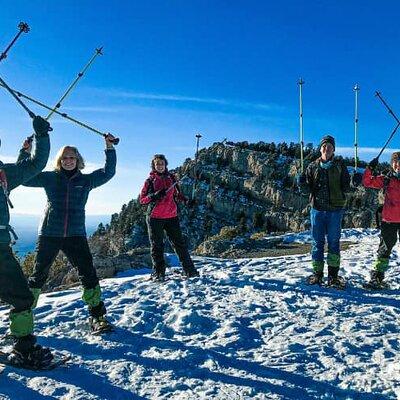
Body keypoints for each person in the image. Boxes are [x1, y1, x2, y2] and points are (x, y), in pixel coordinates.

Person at [19, 134, 116, 333]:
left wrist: (109, 147)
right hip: (49, 234)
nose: (68, 161)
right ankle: (22, 324)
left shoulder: (86, 180)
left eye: (72, 157)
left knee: (88, 273)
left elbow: (108, 172)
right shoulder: (50, 178)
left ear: (78, 160)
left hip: (75, 234)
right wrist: (25, 152)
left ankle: (98, 317)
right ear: (59, 161)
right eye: (64, 158)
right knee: (38, 276)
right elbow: (25, 177)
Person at [0, 116, 53, 367]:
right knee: (21, 297)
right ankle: (23, 348)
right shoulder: (3, 173)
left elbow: (36, 164)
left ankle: (23, 346)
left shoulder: (5, 173)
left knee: (22, 296)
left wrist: (41, 137)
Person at [298, 135, 350, 287]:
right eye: (324, 146)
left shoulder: (340, 166)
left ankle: (333, 276)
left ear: (334, 149)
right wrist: (301, 183)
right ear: (320, 149)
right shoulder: (312, 166)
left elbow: (347, 188)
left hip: (335, 210)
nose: (327, 149)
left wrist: (355, 181)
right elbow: (306, 189)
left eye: (330, 146)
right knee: (317, 243)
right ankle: (317, 274)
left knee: (334, 243)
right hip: (318, 210)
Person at [140, 154, 199, 281]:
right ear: (154, 166)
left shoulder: (172, 178)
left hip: (172, 216)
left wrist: (187, 201)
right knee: (157, 246)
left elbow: (177, 195)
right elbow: (142, 200)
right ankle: (158, 273)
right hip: (155, 217)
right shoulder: (149, 181)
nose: (160, 166)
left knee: (179, 244)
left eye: (162, 163)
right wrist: (155, 195)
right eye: (157, 164)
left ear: (165, 165)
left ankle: (190, 271)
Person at [362, 152, 400, 288]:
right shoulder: (387, 179)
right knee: (384, 249)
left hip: (390, 218)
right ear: (392, 164)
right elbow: (367, 181)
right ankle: (377, 277)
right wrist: (369, 168)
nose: (398, 165)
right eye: (396, 161)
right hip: (389, 220)